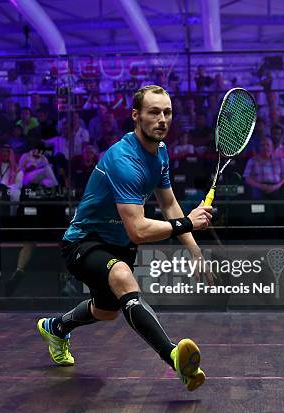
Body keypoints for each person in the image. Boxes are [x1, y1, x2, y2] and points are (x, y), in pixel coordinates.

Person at [36, 85, 213, 393]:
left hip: (119, 245)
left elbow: (169, 204)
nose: (162, 120)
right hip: (84, 241)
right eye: (153, 112)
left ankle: (57, 327)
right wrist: (189, 223)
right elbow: (139, 231)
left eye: (167, 112)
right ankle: (173, 356)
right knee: (122, 275)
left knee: (106, 310)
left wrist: (195, 250)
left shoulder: (160, 153)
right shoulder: (123, 159)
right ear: (136, 116)